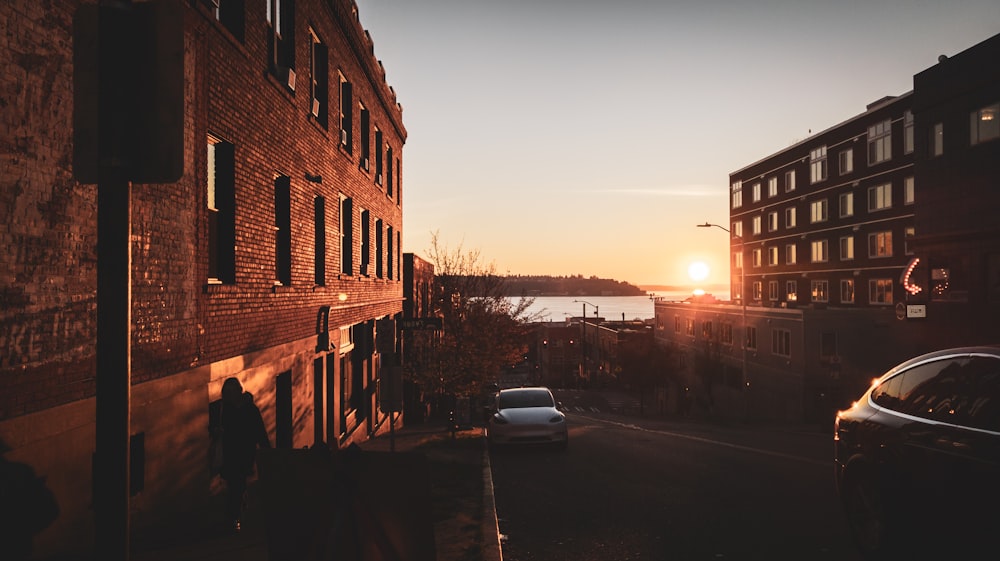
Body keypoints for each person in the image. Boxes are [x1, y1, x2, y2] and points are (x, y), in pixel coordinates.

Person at [218, 377, 270, 532]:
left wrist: (265, 449)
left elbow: (259, 430)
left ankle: (234, 517)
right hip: (230, 453)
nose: (229, 396)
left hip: (244, 453)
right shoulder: (226, 409)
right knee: (235, 484)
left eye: (231, 393)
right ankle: (236, 512)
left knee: (236, 483)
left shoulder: (250, 409)